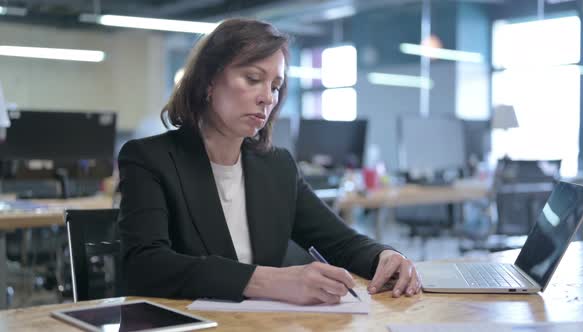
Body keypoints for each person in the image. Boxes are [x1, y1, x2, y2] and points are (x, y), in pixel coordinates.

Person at [118, 18, 421, 305]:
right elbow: (145, 265)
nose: (267, 97)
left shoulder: (276, 166)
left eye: (275, 86)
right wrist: (272, 281)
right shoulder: (149, 159)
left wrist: (384, 257)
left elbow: (340, 241)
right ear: (208, 81)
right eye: (253, 79)